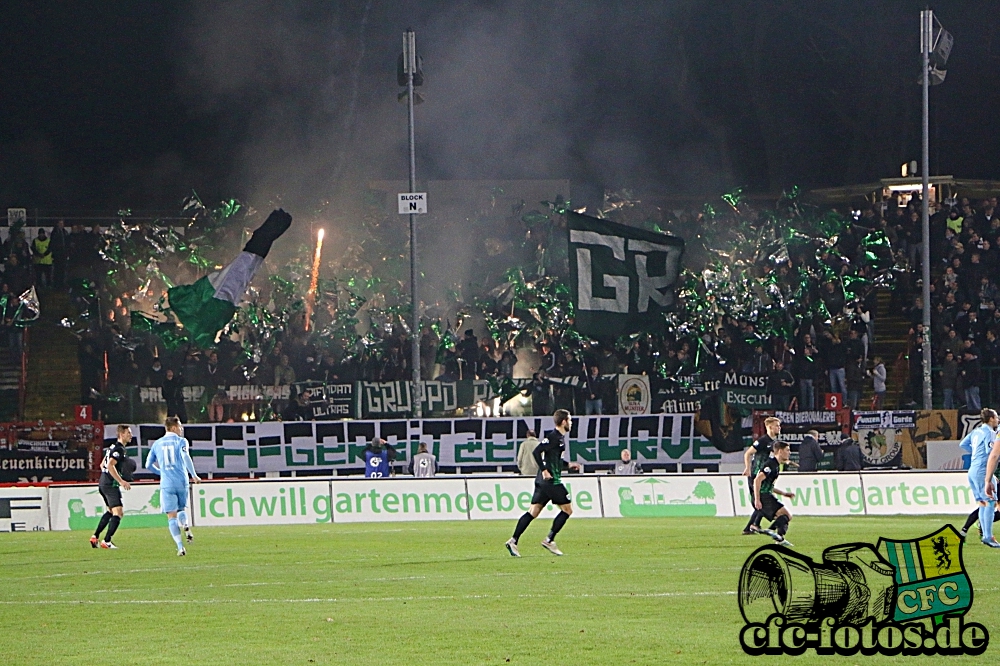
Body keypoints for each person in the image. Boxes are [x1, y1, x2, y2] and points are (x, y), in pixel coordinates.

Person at [505, 409, 582, 557]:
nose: (571, 423)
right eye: (570, 420)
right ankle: (549, 539)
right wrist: (545, 470)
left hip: (542, 482)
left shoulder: (559, 439)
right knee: (567, 510)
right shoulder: (553, 437)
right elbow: (536, 452)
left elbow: (555, 460)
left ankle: (513, 541)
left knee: (533, 512)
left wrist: (568, 465)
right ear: (564, 421)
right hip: (551, 481)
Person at [145, 417, 200, 555]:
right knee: (181, 509)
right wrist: (193, 474)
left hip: (167, 483)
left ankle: (180, 547)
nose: (181, 429)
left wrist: (161, 473)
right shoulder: (181, 441)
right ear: (174, 427)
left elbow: (147, 465)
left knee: (171, 517)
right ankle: (186, 525)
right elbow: (186, 456)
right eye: (180, 426)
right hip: (182, 481)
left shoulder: (157, 444)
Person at [90, 425, 133, 549]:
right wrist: (121, 481)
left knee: (110, 511)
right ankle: (107, 541)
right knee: (118, 512)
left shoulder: (112, 447)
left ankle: (95, 536)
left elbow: (102, 463)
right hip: (109, 484)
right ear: (121, 434)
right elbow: (109, 465)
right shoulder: (119, 449)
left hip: (103, 482)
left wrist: (107, 475)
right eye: (128, 433)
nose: (131, 435)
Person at [750, 440, 796, 546]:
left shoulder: (776, 464)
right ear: (780, 451)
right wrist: (757, 499)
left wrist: (784, 494)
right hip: (764, 496)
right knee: (787, 515)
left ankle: (779, 539)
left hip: (766, 495)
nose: (789, 453)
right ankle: (771, 532)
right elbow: (757, 480)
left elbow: (768, 485)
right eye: (787, 450)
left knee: (784, 517)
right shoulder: (770, 465)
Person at [741, 416, 780, 535]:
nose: (779, 428)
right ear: (770, 427)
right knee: (762, 499)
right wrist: (748, 468)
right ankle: (752, 526)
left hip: (765, 474)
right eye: (777, 425)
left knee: (763, 499)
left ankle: (752, 526)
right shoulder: (763, 441)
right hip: (755, 474)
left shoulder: (774, 442)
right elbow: (748, 453)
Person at [968, 408, 1000, 547]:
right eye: (997, 417)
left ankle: (986, 536)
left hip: (973, 469)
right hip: (983, 470)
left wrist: (975, 453)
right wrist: (989, 477)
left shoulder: (976, 431)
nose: (998, 419)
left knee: (982, 503)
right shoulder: (991, 433)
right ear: (991, 419)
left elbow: (962, 444)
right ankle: (988, 536)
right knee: (990, 503)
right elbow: (992, 453)